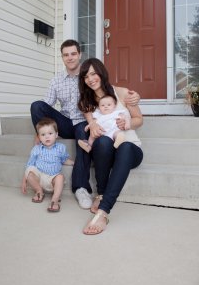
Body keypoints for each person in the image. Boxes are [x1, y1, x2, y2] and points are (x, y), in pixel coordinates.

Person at [30, 39, 140, 209]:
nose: (70, 58)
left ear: (80, 55)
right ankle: (100, 194)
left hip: (91, 127)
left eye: (73, 54)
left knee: (84, 131)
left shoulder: (105, 88)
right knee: (37, 106)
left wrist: (130, 113)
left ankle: (81, 188)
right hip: (67, 123)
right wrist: (41, 131)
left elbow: (135, 115)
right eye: (66, 55)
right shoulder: (67, 87)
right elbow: (50, 106)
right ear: (62, 57)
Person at [78, 58, 144, 235]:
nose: (90, 79)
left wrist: (127, 123)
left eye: (93, 73)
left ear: (101, 72)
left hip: (130, 150)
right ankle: (101, 193)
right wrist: (91, 123)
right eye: (85, 76)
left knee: (126, 146)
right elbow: (91, 123)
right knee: (103, 141)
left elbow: (139, 119)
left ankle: (103, 211)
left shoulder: (122, 92)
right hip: (106, 151)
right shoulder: (86, 101)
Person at [21, 118, 74, 212]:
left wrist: (74, 163)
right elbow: (29, 165)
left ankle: (55, 200)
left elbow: (64, 160)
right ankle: (39, 191)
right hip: (40, 177)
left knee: (60, 177)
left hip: (52, 179)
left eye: (50, 133)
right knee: (29, 171)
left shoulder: (61, 148)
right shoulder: (36, 149)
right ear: (39, 137)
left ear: (56, 134)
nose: (47, 137)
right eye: (43, 134)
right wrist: (24, 181)